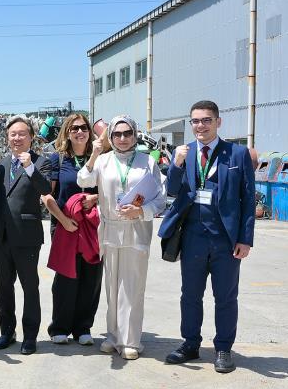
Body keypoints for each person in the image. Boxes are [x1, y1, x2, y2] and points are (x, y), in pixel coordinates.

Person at [160, 100, 255, 373]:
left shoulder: (237, 154)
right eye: (195, 121)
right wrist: (176, 164)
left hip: (226, 240)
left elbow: (248, 199)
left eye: (206, 120)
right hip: (193, 238)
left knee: (225, 297)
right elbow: (173, 190)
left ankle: (223, 348)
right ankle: (190, 344)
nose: (200, 126)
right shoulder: (184, 153)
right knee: (190, 295)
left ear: (218, 122)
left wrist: (245, 238)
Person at [77, 115, 165, 360]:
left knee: (132, 287)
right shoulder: (104, 160)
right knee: (112, 286)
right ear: (110, 137)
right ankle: (113, 336)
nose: (123, 138)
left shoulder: (148, 162)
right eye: (117, 134)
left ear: (135, 135)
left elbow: (160, 198)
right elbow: (83, 179)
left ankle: (130, 340)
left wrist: (141, 211)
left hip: (136, 229)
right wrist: (94, 154)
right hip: (110, 230)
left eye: (127, 133)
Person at [0, 116, 51, 355]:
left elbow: (46, 189)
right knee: (4, 286)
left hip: (27, 236)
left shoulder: (41, 162)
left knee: (30, 287)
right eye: (13, 134)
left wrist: (30, 167)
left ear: (31, 137)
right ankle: (7, 331)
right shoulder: (2, 165)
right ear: (7, 138)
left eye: (22, 134)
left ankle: (30, 336)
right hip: (2, 237)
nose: (17, 138)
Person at [41, 114, 102, 347]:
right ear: (67, 132)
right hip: (65, 225)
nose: (79, 132)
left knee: (91, 276)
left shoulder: (100, 159)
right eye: (74, 128)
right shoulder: (57, 159)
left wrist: (95, 198)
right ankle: (60, 327)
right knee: (66, 277)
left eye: (84, 127)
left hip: (92, 226)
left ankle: (83, 328)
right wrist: (63, 221)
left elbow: (110, 190)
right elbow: (47, 195)